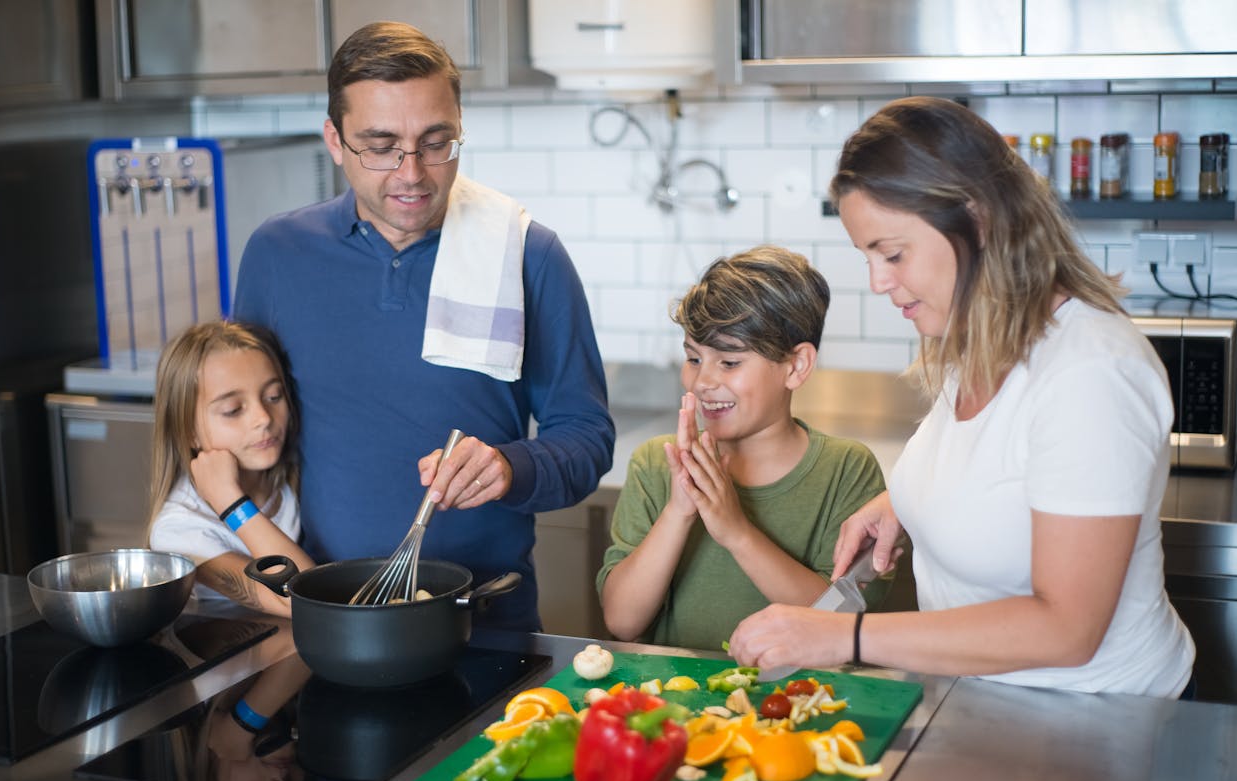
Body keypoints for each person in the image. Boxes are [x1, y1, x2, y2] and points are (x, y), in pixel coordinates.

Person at [728, 97, 1195, 697]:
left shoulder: (1091, 374)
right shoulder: (979, 336)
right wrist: (908, 502)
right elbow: (991, 466)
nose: (878, 281)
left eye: (892, 253)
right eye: (867, 256)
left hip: (1100, 720)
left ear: (977, 222)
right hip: (988, 704)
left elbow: (1067, 628)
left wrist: (840, 636)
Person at [232, 21, 614, 631]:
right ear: (334, 140)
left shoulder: (527, 254)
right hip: (322, 618)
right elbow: (237, 429)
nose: (412, 173)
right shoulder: (277, 254)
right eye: (380, 146)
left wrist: (511, 467)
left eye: (436, 142)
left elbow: (588, 437)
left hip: (486, 621)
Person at [597, 246, 889, 651]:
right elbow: (622, 622)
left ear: (796, 366)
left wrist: (735, 531)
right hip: (676, 701)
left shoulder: (845, 470)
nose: (702, 381)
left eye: (729, 362)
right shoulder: (656, 463)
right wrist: (679, 512)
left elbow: (839, 621)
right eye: (693, 358)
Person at [148, 320, 314, 617]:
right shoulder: (179, 529)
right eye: (233, 410)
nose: (263, 417)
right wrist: (230, 502)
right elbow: (305, 599)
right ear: (188, 432)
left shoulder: (285, 476)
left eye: (274, 396)